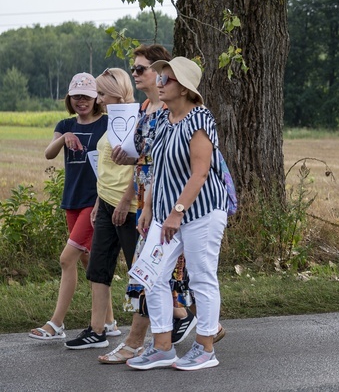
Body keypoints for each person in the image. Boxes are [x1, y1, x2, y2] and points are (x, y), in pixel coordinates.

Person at [97, 45, 211, 364]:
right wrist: (130, 166)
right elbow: (146, 161)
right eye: (134, 69)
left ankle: (138, 342)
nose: (136, 74)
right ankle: (204, 326)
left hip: (179, 207)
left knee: (148, 275)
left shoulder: (178, 112)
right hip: (152, 204)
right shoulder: (146, 107)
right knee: (158, 276)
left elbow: (192, 165)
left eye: (141, 69)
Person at [126, 56, 228, 370]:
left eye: (166, 79)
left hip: (200, 212)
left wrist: (177, 213)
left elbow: (199, 173)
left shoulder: (199, 118)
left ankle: (205, 348)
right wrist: (149, 208)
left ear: (184, 88)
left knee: (201, 278)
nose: (159, 82)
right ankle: (162, 346)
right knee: (153, 277)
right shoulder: (163, 120)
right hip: (164, 214)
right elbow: (160, 169)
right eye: (159, 77)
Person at [29, 73, 116, 341]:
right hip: (72, 201)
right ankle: (110, 322)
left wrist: (102, 203)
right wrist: (64, 136)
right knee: (92, 262)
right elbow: (49, 153)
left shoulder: (106, 123)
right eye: (76, 96)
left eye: (87, 96)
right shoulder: (65, 124)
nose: (82, 101)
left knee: (67, 259)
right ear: (70, 98)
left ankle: (56, 324)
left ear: (96, 99)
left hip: (95, 202)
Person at [64, 68, 139, 349]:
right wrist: (99, 202)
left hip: (127, 206)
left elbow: (144, 165)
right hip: (105, 202)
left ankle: (178, 315)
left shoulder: (133, 120)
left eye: (103, 94)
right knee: (99, 267)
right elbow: (106, 166)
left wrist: (123, 200)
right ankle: (97, 330)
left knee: (139, 269)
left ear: (117, 93)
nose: (100, 99)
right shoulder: (113, 121)